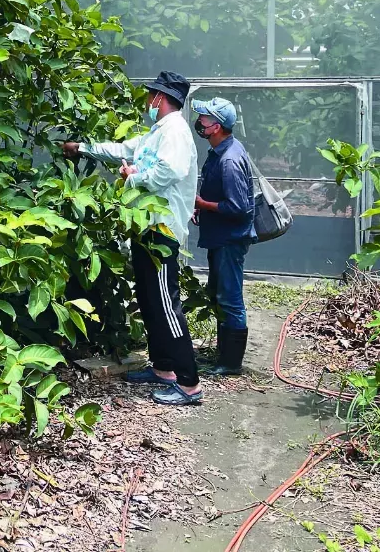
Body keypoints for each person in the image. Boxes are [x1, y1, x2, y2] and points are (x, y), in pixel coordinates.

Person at [62, 71, 202, 406]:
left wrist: (134, 178)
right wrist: (82, 148)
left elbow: (170, 171)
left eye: (150, 96)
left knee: (166, 304)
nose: (147, 101)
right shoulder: (158, 131)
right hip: (144, 227)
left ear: (161, 98)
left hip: (162, 229)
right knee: (151, 300)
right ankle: (164, 369)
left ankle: (189, 383)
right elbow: (124, 149)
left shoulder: (177, 132)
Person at [191, 97, 257, 376]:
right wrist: (203, 208)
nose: (199, 123)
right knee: (220, 295)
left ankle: (231, 363)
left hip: (230, 239)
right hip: (221, 236)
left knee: (230, 298)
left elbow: (238, 207)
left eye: (204, 119)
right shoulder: (222, 149)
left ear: (215, 127)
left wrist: (203, 204)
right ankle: (223, 355)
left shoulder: (229, 160)